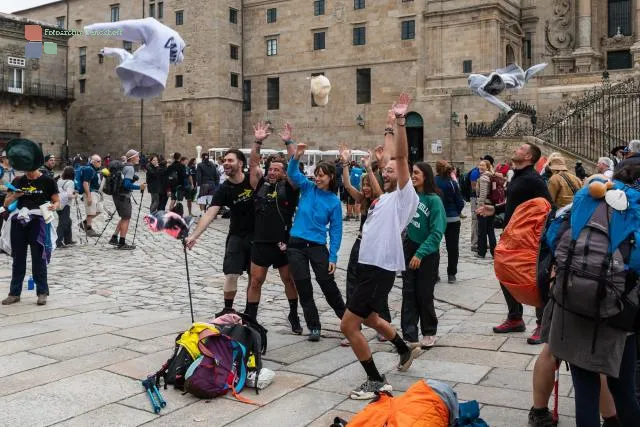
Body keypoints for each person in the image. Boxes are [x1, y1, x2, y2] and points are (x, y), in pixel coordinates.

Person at [340, 93, 421, 400]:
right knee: (371, 318)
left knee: (349, 325)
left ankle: (376, 381)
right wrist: (387, 130)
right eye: (382, 169)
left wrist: (400, 122)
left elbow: (399, 158)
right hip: (368, 267)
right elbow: (390, 157)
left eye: (390, 170)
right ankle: (403, 349)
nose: (386, 170)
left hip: (378, 269)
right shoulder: (383, 199)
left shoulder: (404, 197)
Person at [477, 142, 552, 343]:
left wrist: (537, 236)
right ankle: (515, 318)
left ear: (528, 157)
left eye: (521, 148)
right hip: (511, 236)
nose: (516, 149)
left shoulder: (534, 180)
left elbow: (547, 207)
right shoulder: (517, 175)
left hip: (529, 240)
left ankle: (541, 325)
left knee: (535, 280)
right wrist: (496, 209)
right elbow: (514, 203)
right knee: (504, 273)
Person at [244, 122, 302, 334]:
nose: (272, 172)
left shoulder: (290, 186)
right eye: (270, 169)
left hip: (282, 242)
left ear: (285, 173)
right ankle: (250, 317)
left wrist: (288, 142)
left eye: (277, 170)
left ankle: (293, 314)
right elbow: (253, 164)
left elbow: (295, 161)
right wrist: (258, 142)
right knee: (256, 281)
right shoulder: (260, 184)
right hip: (260, 241)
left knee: (288, 279)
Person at [286, 141, 345, 341]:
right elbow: (293, 174)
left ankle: (347, 321)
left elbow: (336, 231)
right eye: (317, 174)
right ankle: (314, 327)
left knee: (328, 285)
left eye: (322, 175)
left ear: (331, 177)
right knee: (304, 287)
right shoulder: (307, 188)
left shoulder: (334, 202)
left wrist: (334, 256)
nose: (318, 178)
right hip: (296, 245)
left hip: (318, 247)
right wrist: (296, 156)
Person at [185, 149, 254, 317]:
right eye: (225, 160)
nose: (226, 163)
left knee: (254, 277)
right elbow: (210, 213)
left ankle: (251, 312)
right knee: (231, 273)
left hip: (256, 237)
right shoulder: (224, 188)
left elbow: (257, 164)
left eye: (230, 160)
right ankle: (228, 308)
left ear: (240, 163)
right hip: (236, 235)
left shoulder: (253, 181)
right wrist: (194, 236)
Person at [2, 139, 60, 306]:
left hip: (38, 222)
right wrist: (15, 196)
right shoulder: (18, 181)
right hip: (19, 222)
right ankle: (14, 293)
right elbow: (6, 204)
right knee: (17, 259)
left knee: (38, 259)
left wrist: (52, 206)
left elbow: (57, 202)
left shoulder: (48, 181)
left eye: (30, 170)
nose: (28, 173)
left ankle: (42, 292)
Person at [339, 144, 386, 346]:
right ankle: (353, 327)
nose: (365, 189)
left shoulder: (382, 202)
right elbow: (348, 186)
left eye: (368, 185)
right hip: (359, 245)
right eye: (364, 185)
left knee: (375, 288)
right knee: (352, 284)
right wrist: (345, 164)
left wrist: (369, 169)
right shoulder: (363, 200)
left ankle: (383, 325)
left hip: (375, 249)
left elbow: (378, 191)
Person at [402, 162, 446, 348]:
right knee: (408, 293)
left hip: (426, 254)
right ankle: (409, 334)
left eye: (417, 173)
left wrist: (420, 253)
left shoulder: (433, 200)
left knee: (424, 294)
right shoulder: (411, 196)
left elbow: (437, 232)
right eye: (412, 172)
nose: (413, 175)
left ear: (426, 176)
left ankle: (429, 331)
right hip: (409, 247)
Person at [108, 150, 146, 250]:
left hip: (117, 195)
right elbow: (126, 184)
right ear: (132, 158)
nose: (139, 158)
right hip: (123, 196)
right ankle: (122, 242)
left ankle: (114, 237)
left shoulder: (123, 166)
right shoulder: (130, 168)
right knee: (126, 218)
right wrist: (139, 187)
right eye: (137, 156)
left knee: (123, 217)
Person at [435, 160, 464, 283]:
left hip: (436, 219)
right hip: (452, 218)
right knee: (453, 248)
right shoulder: (452, 183)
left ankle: (434, 273)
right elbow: (460, 202)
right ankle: (451, 274)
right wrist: (456, 212)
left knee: (434, 246)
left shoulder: (433, 182)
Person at [476, 160, 497, 259]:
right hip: (491, 205)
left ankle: (481, 252)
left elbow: (483, 193)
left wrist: (480, 206)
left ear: (487, 167)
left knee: (482, 231)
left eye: (483, 165)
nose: (480, 166)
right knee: (490, 230)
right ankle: (494, 252)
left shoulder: (484, 177)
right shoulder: (491, 176)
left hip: (485, 206)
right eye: (480, 165)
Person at [79, 154, 103, 237]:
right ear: (93, 162)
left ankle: (84, 223)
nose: (100, 163)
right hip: (90, 192)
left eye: (100, 161)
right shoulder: (89, 169)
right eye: (98, 161)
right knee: (91, 212)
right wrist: (88, 196)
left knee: (99, 210)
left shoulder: (94, 169)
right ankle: (89, 229)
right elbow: (85, 183)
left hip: (95, 192)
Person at [55, 166, 77, 248]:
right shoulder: (71, 182)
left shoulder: (60, 181)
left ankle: (68, 240)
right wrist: (75, 196)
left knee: (68, 221)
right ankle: (58, 242)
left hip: (58, 203)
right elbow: (69, 195)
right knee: (63, 223)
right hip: (65, 205)